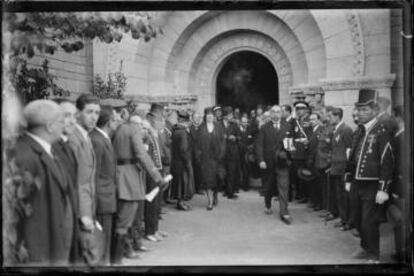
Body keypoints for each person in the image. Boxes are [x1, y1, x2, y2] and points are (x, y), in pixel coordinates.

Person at [15, 100, 75, 265]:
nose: (64, 126)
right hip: (38, 254)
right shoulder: (24, 156)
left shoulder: (48, 149)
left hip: (54, 244)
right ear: (50, 126)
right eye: (61, 121)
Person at [344, 89, 394, 263]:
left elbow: (387, 161)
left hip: (373, 184)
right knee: (356, 219)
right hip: (357, 183)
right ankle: (365, 247)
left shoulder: (382, 131)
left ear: (375, 111)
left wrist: (383, 189)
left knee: (368, 221)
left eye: (365, 110)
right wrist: (349, 178)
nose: (360, 113)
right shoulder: (359, 131)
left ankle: (375, 254)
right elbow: (352, 158)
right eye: (359, 109)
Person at [68, 94, 101, 265]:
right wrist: (85, 214)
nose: (94, 117)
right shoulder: (75, 138)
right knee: (88, 258)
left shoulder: (85, 136)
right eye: (89, 112)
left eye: (96, 112)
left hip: (88, 207)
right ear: (78, 113)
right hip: (81, 212)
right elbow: (77, 181)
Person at [52, 99, 81, 264]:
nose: (72, 121)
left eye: (74, 116)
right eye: (67, 115)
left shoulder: (67, 145)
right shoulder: (53, 147)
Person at [89, 105, 118, 265]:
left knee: (106, 240)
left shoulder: (103, 138)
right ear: (108, 121)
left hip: (107, 196)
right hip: (101, 199)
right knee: (101, 243)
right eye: (115, 118)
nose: (118, 121)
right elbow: (93, 174)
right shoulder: (97, 140)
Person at [256, 105, 292, 224]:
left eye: (278, 112)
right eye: (273, 112)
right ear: (270, 114)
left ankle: (284, 212)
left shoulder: (288, 126)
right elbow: (259, 145)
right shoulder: (264, 128)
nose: (276, 114)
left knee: (284, 186)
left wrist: (290, 154)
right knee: (268, 186)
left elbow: (291, 144)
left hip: (282, 163)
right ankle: (268, 204)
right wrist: (261, 160)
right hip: (268, 162)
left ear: (281, 113)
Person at [144, 104, 171, 242]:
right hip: (151, 172)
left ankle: (155, 229)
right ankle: (149, 231)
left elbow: (162, 152)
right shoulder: (147, 133)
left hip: (159, 170)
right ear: (150, 117)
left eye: (161, 117)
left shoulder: (157, 132)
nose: (161, 121)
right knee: (151, 202)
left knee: (157, 202)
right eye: (158, 118)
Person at [386, 105, 408, 262]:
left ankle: (400, 250)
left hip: (402, 186)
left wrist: (395, 187)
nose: (391, 120)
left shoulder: (401, 138)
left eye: (392, 116)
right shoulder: (398, 135)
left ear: (398, 117)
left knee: (400, 219)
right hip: (400, 185)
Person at [328, 107, 353, 231]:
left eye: (331, 116)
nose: (329, 119)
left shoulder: (346, 130)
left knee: (344, 196)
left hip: (342, 168)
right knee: (339, 195)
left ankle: (347, 221)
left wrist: (347, 169)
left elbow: (349, 150)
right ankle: (343, 218)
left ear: (337, 116)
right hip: (336, 167)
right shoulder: (336, 129)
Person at [197, 107, 226, 210]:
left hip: (216, 158)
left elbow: (223, 142)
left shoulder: (219, 127)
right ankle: (210, 202)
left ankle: (215, 195)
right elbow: (198, 144)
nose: (210, 118)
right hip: (206, 159)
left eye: (211, 116)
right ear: (205, 117)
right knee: (208, 180)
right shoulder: (201, 128)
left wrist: (221, 154)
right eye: (208, 116)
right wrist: (199, 155)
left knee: (217, 179)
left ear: (213, 117)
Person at [171, 110, 195, 210]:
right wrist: (187, 162)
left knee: (178, 182)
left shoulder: (175, 130)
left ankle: (179, 202)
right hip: (182, 161)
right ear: (184, 121)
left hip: (176, 160)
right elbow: (184, 149)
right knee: (183, 182)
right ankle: (181, 202)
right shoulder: (183, 132)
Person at [289, 101, 312, 203]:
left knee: (305, 174)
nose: (299, 111)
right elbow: (291, 135)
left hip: (306, 151)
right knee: (297, 174)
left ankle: (306, 195)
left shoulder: (310, 120)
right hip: (297, 152)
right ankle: (299, 194)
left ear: (306, 110)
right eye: (297, 109)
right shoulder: (294, 121)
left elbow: (313, 134)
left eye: (301, 109)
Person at [220, 106, 242, 199]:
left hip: (232, 152)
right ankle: (225, 190)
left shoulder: (234, 125)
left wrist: (235, 138)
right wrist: (223, 137)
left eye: (231, 114)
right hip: (221, 152)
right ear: (225, 116)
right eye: (230, 114)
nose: (232, 116)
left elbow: (240, 137)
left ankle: (230, 192)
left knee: (232, 172)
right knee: (223, 172)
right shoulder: (218, 124)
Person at [189, 112, 203, 195]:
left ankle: (198, 188)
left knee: (199, 172)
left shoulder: (202, 128)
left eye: (198, 118)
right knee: (191, 171)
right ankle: (192, 189)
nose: (197, 119)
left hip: (200, 153)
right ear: (192, 118)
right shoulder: (189, 128)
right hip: (191, 153)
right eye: (195, 117)